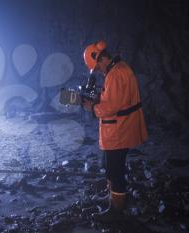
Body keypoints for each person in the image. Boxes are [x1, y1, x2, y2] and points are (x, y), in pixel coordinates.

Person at [82, 41, 148, 222]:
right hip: (119, 128)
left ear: (100, 59)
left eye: (97, 68)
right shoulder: (118, 69)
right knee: (109, 166)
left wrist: (92, 107)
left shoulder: (116, 74)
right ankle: (112, 196)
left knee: (115, 171)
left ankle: (116, 211)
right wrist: (98, 99)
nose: (98, 72)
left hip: (120, 130)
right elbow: (114, 98)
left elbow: (112, 106)